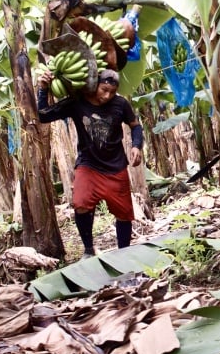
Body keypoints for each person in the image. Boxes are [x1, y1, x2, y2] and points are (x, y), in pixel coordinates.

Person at [36, 66, 144, 259]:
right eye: (104, 90)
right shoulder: (77, 103)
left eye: (112, 92)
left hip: (116, 165)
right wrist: (43, 88)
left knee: (124, 213)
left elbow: (135, 126)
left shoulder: (121, 104)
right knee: (81, 203)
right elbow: (44, 115)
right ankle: (88, 249)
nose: (108, 95)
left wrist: (137, 145)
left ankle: (124, 254)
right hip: (88, 164)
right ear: (94, 85)